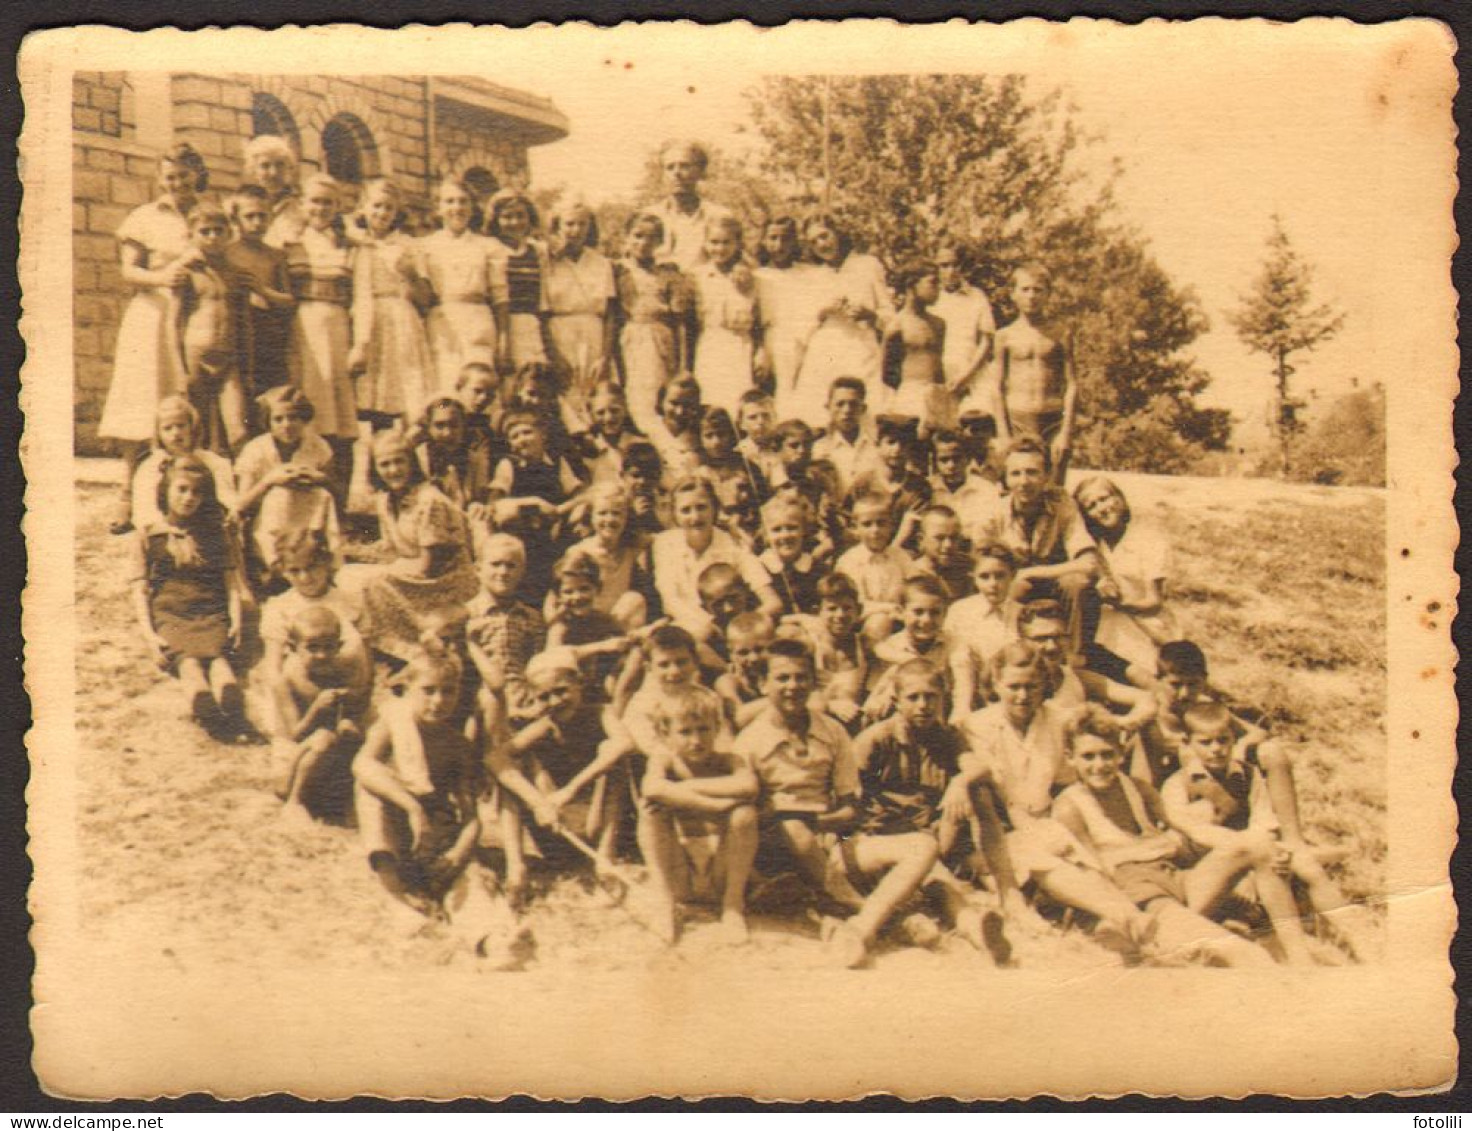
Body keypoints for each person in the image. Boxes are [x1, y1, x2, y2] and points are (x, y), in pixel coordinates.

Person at [733, 637, 938, 969]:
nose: (792, 686)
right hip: (777, 855)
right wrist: (797, 822)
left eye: (801, 677)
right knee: (793, 828)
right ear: (763, 684)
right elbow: (752, 816)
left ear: (814, 681)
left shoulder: (832, 732)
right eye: (782, 678)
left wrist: (816, 823)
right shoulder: (749, 743)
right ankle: (875, 911)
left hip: (830, 842)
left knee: (923, 845)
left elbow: (849, 809)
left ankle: (862, 925)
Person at [956, 643, 1160, 958]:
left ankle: (1127, 921)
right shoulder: (977, 726)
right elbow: (988, 799)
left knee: (1081, 858)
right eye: (1014, 687)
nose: (1023, 696)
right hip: (995, 830)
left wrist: (1064, 829)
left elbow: (1067, 782)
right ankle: (1127, 918)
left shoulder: (1057, 721)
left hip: (1044, 819)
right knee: (1043, 859)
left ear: (1045, 685)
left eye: (1032, 686)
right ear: (996, 684)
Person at [1051, 706, 1278, 967]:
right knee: (1243, 953)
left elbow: (1190, 828)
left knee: (1256, 845)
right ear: (1070, 758)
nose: (1099, 765)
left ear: (1121, 754)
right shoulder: (1070, 806)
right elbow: (1094, 872)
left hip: (1173, 877)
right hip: (1139, 890)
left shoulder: (1137, 788)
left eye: (1107, 755)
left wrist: (1243, 850)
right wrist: (1125, 916)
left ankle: (1299, 953)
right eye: (1088, 757)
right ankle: (1182, 935)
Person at [1160, 702, 1369, 962]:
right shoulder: (1177, 785)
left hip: (1253, 856)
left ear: (1234, 738)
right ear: (1188, 742)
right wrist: (1253, 852)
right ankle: (1277, 937)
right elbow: (1197, 832)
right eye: (1206, 742)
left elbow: (1263, 821)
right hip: (1208, 869)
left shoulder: (1248, 775)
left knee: (1306, 865)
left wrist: (1270, 851)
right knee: (1266, 861)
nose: (1216, 749)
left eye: (1223, 740)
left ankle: (1356, 935)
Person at [853, 660, 1018, 959]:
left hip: (925, 845)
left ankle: (979, 932)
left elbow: (978, 767)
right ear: (896, 701)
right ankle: (877, 924)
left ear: (943, 699)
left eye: (931, 697)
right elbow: (848, 799)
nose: (923, 705)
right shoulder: (875, 740)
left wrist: (959, 782)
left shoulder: (946, 736)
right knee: (927, 867)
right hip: (876, 842)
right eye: (913, 697)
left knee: (942, 884)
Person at [98, 142, 209, 534]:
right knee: (144, 405)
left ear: (196, 173)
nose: (177, 182)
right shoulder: (144, 217)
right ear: (160, 178)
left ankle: (185, 494)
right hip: (152, 316)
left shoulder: (210, 214)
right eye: (169, 176)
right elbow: (129, 271)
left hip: (196, 316)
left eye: (183, 174)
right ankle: (127, 494)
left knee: (186, 406)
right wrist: (163, 277)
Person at [486, 649, 632, 904]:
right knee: (512, 769)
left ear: (579, 684)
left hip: (597, 824)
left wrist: (570, 790)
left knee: (611, 754)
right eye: (544, 697)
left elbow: (624, 744)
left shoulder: (602, 713)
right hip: (558, 829)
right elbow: (494, 758)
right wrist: (539, 802)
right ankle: (516, 868)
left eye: (562, 691)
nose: (554, 702)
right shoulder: (544, 726)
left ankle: (605, 860)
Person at [128, 455, 255, 743]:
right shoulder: (150, 535)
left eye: (197, 492)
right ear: (166, 491)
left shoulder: (213, 534)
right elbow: (139, 590)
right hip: (170, 613)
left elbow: (230, 581)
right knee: (187, 662)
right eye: (182, 489)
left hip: (209, 609)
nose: (189, 498)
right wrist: (150, 637)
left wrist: (236, 619)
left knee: (219, 657)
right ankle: (203, 702)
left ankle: (230, 699)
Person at [1135, 640, 1309, 850]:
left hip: (1221, 776)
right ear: (1159, 680)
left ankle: (1294, 841)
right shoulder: (1151, 716)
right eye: (1175, 684)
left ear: (1205, 681)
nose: (1184, 693)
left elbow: (1258, 732)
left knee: (1272, 752)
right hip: (1180, 795)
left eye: (1193, 684)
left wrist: (1237, 747)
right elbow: (1142, 779)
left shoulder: (1205, 707)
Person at [353, 649, 484, 921]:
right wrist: (413, 808)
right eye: (428, 690)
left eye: (448, 691)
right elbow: (361, 765)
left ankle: (486, 931)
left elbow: (471, 815)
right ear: (408, 688)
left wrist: (459, 853)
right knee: (370, 789)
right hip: (397, 817)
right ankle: (393, 895)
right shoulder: (393, 722)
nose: (438, 701)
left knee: (472, 878)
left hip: (430, 831)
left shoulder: (457, 744)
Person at [638, 689, 761, 945]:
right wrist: (714, 807)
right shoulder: (664, 760)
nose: (696, 740)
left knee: (745, 815)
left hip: (721, 870)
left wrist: (679, 791)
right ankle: (665, 903)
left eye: (703, 729)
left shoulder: (729, 760)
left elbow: (749, 786)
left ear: (717, 728)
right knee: (650, 811)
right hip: (680, 869)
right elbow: (651, 788)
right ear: (665, 734)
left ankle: (732, 906)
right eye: (685, 732)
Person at [355, 430, 478, 663]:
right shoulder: (386, 501)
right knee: (349, 577)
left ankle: (409, 651)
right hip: (415, 577)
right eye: (385, 464)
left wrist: (383, 569)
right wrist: (360, 554)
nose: (393, 470)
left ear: (411, 461)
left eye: (399, 461)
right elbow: (392, 549)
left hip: (446, 582)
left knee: (372, 584)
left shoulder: (430, 501)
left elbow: (429, 566)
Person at [972, 435, 1098, 653]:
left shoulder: (1062, 506)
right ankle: (1009, 650)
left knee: (1076, 583)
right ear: (1006, 478)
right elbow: (979, 563)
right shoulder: (992, 512)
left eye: (1032, 472)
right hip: (1013, 587)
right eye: (1015, 473)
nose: (1024, 482)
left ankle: (1071, 655)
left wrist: (1033, 572)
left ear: (1047, 476)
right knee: (1014, 585)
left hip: (1052, 583)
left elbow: (1089, 563)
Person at [283, 174, 357, 503]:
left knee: (340, 415)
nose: (321, 208)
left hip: (337, 328)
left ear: (338, 206)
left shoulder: (349, 245)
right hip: (301, 329)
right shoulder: (289, 241)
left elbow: (361, 297)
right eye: (314, 201)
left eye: (328, 202)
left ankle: (338, 500)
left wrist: (361, 344)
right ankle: (305, 493)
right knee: (308, 407)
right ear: (302, 204)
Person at [268, 605, 372, 823]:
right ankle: (295, 802)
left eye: (328, 647)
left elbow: (354, 709)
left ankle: (346, 801)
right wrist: (317, 708)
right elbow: (294, 735)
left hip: (326, 761)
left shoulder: (340, 671)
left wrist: (348, 711)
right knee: (323, 737)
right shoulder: (285, 680)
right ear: (293, 647)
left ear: (339, 646)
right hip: (292, 763)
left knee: (354, 735)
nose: (322, 655)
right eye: (312, 648)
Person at [348, 178, 434, 432]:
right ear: (363, 207)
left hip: (399, 320)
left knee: (407, 394)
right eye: (376, 206)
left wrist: (411, 274)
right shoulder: (355, 242)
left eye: (389, 208)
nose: (382, 213)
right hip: (364, 321)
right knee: (369, 399)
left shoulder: (409, 245)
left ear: (397, 212)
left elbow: (426, 300)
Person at [1073, 475, 1177, 683]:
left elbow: (1154, 603)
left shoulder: (1149, 541)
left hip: (1144, 625)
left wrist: (1118, 603)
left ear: (1119, 499)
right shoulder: (1092, 547)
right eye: (1091, 506)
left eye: (1104, 499)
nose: (1101, 508)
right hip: (1104, 629)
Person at [790, 213, 892, 424]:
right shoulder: (812, 275)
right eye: (813, 241)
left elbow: (889, 315)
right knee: (819, 413)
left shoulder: (868, 265)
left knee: (865, 413)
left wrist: (869, 315)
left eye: (824, 236)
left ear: (837, 232)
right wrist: (824, 311)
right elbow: (801, 327)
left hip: (862, 349)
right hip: (825, 350)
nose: (821, 244)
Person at [650, 475, 781, 639]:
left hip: (736, 630)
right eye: (685, 510)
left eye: (701, 507)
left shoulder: (734, 543)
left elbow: (772, 602)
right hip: (688, 625)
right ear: (674, 514)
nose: (695, 517)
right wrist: (708, 624)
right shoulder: (665, 544)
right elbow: (670, 601)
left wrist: (742, 626)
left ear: (714, 508)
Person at [233, 385, 339, 579]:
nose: (287, 425)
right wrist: (269, 481)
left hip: (309, 523)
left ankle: (324, 558)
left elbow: (336, 495)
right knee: (280, 494)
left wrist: (320, 479)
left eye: (293, 417)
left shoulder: (318, 446)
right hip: (268, 525)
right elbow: (240, 506)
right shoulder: (256, 450)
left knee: (322, 495)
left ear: (304, 419)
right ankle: (277, 565)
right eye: (278, 419)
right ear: (268, 421)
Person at [991, 263, 1077, 482]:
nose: (1032, 296)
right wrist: (1003, 434)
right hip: (1017, 419)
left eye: (1038, 290)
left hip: (1052, 420)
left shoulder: (1060, 333)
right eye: (1025, 289)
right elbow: (997, 387)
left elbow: (1071, 384)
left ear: (1048, 294)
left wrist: (1065, 432)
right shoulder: (1005, 336)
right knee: (1019, 485)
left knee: (1053, 488)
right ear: (1013, 294)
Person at [177, 202, 249, 454]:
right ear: (191, 235)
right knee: (197, 425)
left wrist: (244, 359)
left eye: (219, 230)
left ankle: (238, 485)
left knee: (237, 427)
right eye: (205, 231)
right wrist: (179, 363)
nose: (213, 237)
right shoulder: (188, 271)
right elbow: (176, 318)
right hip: (196, 353)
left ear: (229, 233)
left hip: (228, 356)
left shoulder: (236, 272)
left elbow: (243, 320)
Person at [419, 178, 498, 397]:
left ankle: (479, 429)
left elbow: (500, 297)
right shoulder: (425, 246)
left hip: (478, 320)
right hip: (442, 323)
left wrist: (504, 341)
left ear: (472, 208)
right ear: (438, 208)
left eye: (463, 202)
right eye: (449, 201)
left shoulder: (488, 246)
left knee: (479, 384)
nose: (457, 208)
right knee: (447, 384)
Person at [866, 575, 976, 726]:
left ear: (945, 613)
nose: (926, 620)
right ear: (901, 611)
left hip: (941, 721)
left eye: (935, 612)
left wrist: (960, 714)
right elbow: (876, 697)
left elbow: (963, 686)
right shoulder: (892, 647)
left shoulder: (955, 645)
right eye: (918, 612)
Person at [258, 528, 366, 682]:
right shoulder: (279, 608)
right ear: (283, 571)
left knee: (356, 645)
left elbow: (365, 657)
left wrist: (359, 693)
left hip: (347, 680)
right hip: (303, 687)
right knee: (293, 664)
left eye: (311, 567)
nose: (305, 578)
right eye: (295, 571)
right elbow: (273, 666)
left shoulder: (349, 600)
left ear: (327, 562)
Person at [615, 211, 687, 437]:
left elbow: (680, 323)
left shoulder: (668, 274)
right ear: (626, 237)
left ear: (659, 242)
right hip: (631, 339)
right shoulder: (618, 271)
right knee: (636, 399)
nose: (643, 243)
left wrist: (684, 366)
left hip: (661, 340)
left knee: (661, 397)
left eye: (651, 238)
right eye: (637, 236)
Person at [544, 202, 617, 418]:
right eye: (569, 224)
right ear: (557, 226)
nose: (575, 230)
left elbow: (610, 314)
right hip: (561, 335)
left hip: (594, 335)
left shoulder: (601, 263)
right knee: (566, 399)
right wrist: (554, 355)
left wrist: (605, 355)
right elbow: (542, 314)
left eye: (582, 224)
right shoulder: (547, 262)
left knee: (598, 398)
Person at [465, 534, 548, 726]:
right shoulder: (468, 615)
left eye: (511, 566)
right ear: (477, 569)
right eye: (495, 564)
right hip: (481, 706)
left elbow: (537, 665)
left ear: (522, 572)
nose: (503, 572)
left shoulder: (531, 617)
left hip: (525, 702)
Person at [225, 184, 296, 405]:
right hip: (233, 331)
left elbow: (289, 301)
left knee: (269, 396)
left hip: (266, 334)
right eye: (250, 216)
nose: (257, 223)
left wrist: (263, 291)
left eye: (262, 216)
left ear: (271, 218)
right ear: (235, 219)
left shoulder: (276, 256)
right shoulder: (226, 252)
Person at [130, 396, 238, 537]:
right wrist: (159, 527)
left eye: (181, 426)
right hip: (165, 529)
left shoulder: (212, 462)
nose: (175, 433)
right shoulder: (151, 467)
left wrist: (231, 513)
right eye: (167, 428)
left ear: (192, 427)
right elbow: (144, 507)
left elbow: (227, 497)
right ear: (159, 434)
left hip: (206, 528)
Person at [689, 215, 764, 416]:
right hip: (709, 346)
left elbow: (759, 321)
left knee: (738, 402)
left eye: (726, 242)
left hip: (740, 348)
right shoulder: (697, 277)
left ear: (738, 244)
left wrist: (761, 351)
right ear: (705, 243)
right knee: (710, 402)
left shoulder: (751, 279)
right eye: (714, 242)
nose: (720, 249)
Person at [755, 215, 821, 419]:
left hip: (805, 339)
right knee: (777, 394)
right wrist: (761, 349)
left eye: (785, 239)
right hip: (772, 342)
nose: (779, 245)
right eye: (773, 238)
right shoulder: (758, 276)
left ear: (795, 242)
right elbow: (755, 319)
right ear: (764, 241)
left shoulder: (810, 273)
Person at [881, 257, 953, 434]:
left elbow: (938, 366)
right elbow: (888, 372)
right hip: (911, 396)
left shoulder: (938, 324)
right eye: (932, 283)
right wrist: (912, 391)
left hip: (937, 396)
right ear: (911, 285)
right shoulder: (897, 325)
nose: (938, 289)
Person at [486, 189, 550, 374]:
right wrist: (502, 341)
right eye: (507, 216)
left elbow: (542, 302)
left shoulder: (538, 252)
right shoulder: (488, 249)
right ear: (495, 220)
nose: (515, 222)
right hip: (497, 327)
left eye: (520, 216)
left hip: (529, 328)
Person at [648, 139, 734, 272]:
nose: (676, 173)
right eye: (670, 167)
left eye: (684, 166)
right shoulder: (649, 216)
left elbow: (736, 262)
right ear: (663, 175)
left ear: (700, 172)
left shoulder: (719, 216)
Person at [834, 491, 910, 644]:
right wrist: (889, 609)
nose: (875, 530)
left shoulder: (901, 557)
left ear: (891, 525)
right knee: (879, 621)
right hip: (863, 624)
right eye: (867, 524)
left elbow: (913, 588)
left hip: (901, 618)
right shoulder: (850, 561)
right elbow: (856, 605)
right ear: (855, 528)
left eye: (881, 523)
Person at [931, 244, 997, 415]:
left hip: (973, 374)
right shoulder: (931, 299)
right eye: (944, 265)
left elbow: (986, 341)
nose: (951, 271)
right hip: (940, 378)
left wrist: (966, 376)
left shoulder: (976, 296)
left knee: (978, 424)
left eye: (955, 265)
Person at [945, 542, 1017, 686]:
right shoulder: (960, 611)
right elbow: (955, 660)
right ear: (973, 578)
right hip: (968, 684)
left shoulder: (1021, 613)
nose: (993, 584)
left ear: (1012, 575)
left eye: (1000, 576)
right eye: (984, 577)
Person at [811, 377, 881, 500]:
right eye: (840, 404)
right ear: (828, 407)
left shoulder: (877, 447)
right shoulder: (817, 448)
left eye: (853, 404)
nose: (847, 410)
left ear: (863, 408)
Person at [758, 495, 823, 616]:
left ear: (804, 530)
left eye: (792, 528)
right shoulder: (759, 568)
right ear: (766, 535)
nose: (785, 535)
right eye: (776, 530)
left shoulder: (816, 568)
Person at [242, 134, 305, 249]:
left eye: (280, 165)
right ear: (253, 170)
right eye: (265, 166)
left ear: (289, 168)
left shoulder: (302, 207)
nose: (273, 173)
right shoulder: (240, 207)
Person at [906, 505, 975, 604]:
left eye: (954, 538)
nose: (948, 545)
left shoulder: (967, 570)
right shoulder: (911, 575)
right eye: (939, 538)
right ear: (921, 540)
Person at [647, 376, 705, 484]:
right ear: (661, 402)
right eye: (674, 403)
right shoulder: (648, 436)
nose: (680, 411)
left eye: (687, 405)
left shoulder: (701, 438)